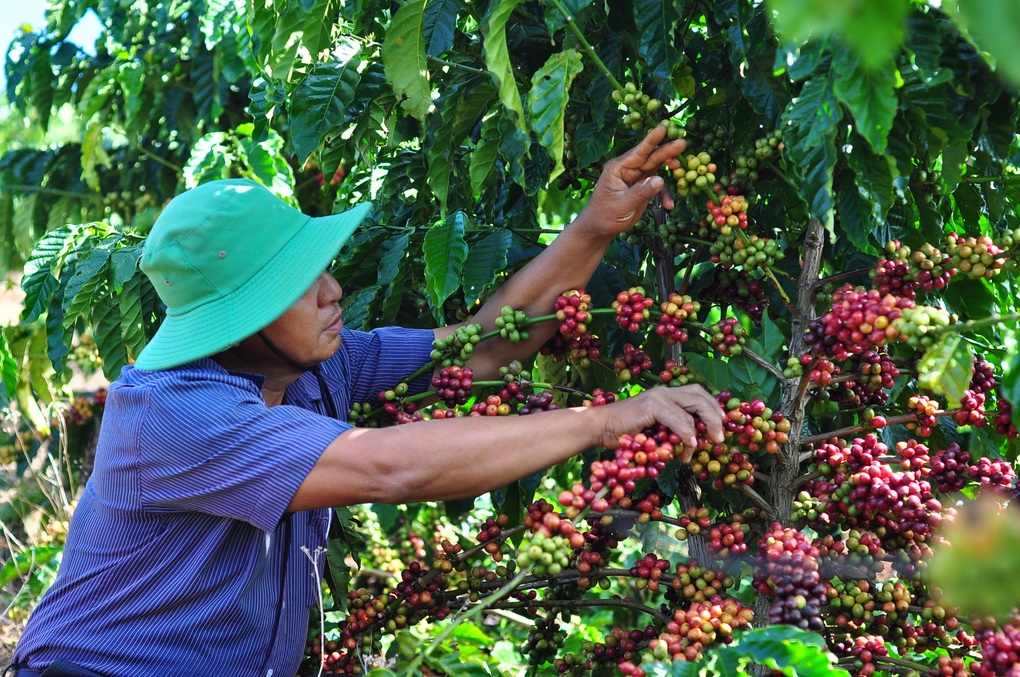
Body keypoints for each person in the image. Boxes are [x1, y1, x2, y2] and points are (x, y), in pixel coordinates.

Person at [8, 125, 725, 677]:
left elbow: (480, 346)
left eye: (323, 268)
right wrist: (600, 421)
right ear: (239, 317)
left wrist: (593, 225)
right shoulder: (174, 415)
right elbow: (387, 466)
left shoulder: (320, 363)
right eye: (297, 284)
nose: (332, 291)